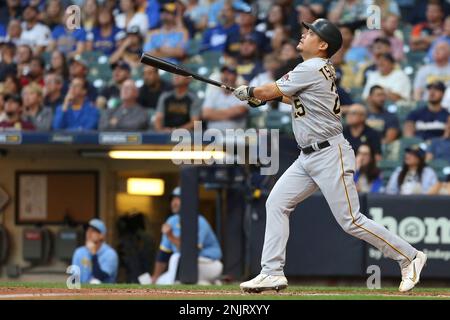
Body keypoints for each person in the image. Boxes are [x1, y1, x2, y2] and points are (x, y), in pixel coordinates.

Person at [232, 18, 426, 293]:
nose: (304, 33)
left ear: (322, 45)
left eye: (310, 32)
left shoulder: (311, 66)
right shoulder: (317, 69)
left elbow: (270, 90)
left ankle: (410, 256)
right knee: (276, 202)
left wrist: (251, 92)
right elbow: (289, 97)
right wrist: (262, 96)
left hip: (328, 153)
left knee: (351, 220)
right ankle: (272, 271)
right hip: (308, 156)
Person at [151, 187, 223, 285]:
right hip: (185, 264)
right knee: (160, 282)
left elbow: (190, 252)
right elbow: (163, 255)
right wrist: (155, 277)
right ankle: (208, 283)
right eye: (173, 199)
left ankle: (207, 281)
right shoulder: (171, 221)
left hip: (209, 263)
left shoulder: (199, 221)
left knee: (176, 258)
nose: (174, 202)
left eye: (178, 199)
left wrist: (171, 236)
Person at [72, 219, 119, 284]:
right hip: (82, 292)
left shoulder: (110, 254)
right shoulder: (79, 252)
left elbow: (100, 277)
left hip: (104, 292)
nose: (89, 233)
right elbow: (74, 279)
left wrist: (94, 254)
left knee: (95, 282)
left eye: (93, 230)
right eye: (88, 230)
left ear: (101, 235)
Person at [202, 66, 248, 131]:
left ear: (236, 76)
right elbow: (206, 114)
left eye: (229, 74)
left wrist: (213, 113)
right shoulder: (213, 93)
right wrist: (229, 113)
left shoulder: (243, 93)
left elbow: (239, 111)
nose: (226, 77)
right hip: (213, 135)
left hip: (235, 136)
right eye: (224, 73)